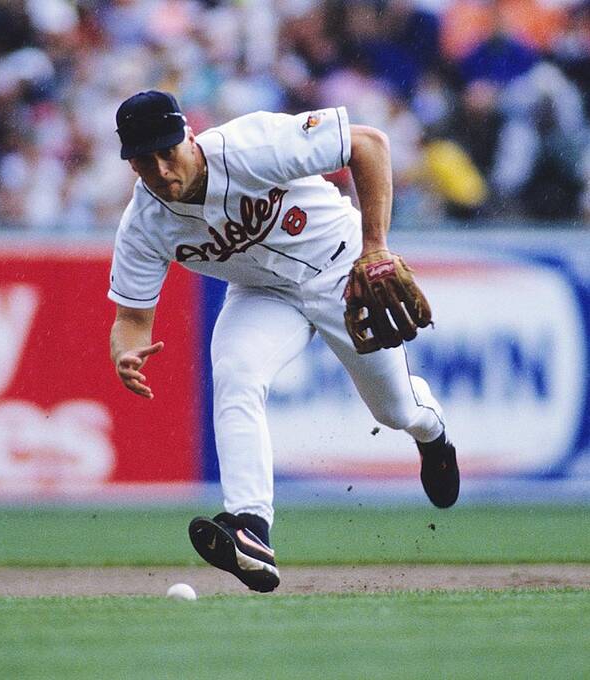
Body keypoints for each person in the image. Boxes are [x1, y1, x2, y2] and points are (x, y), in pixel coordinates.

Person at [108, 90, 459, 593]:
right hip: (261, 294)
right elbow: (132, 319)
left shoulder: (250, 145)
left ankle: (433, 432)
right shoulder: (143, 225)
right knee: (236, 374)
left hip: (341, 267)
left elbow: (369, 144)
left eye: (169, 150)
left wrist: (376, 246)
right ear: (131, 164)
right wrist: (125, 350)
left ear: (189, 134)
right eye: (145, 160)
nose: (162, 168)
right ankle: (250, 527)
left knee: (395, 411)